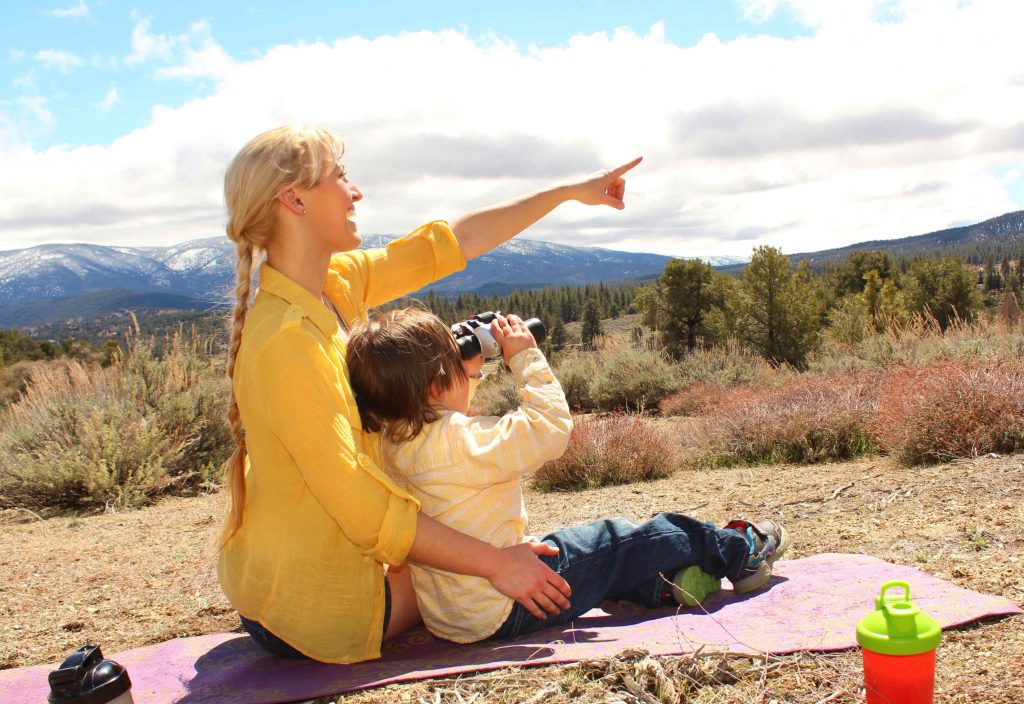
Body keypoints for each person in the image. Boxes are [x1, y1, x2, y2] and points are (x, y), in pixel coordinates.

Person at [216, 123, 643, 663]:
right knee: (486, 586)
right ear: (293, 198)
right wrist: (495, 563)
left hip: (285, 578)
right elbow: (362, 507)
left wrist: (565, 193)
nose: (355, 191)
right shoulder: (285, 342)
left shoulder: (331, 286)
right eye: (340, 176)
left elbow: (449, 244)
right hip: (314, 604)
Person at [347, 307, 791, 643]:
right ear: (438, 384)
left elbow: (443, 404)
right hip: (511, 604)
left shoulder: (392, 445)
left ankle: (663, 587)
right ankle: (740, 551)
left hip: (456, 617)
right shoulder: (460, 441)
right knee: (616, 539)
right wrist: (524, 357)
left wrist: (464, 366)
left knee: (577, 551)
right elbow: (548, 428)